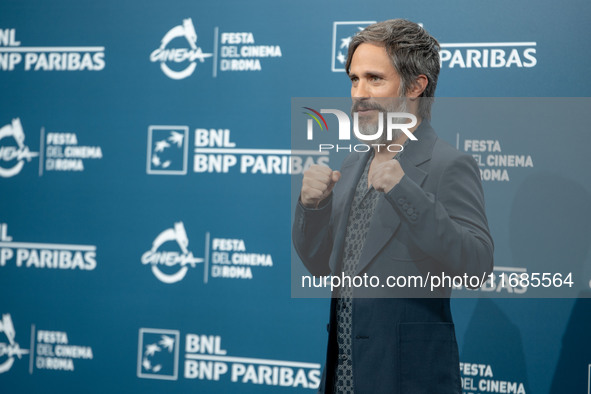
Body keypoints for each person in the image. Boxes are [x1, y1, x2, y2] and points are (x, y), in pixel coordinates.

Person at [292, 19, 494, 393]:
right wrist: (312, 208)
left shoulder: (447, 165)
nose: (359, 93)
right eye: (354, 80)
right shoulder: (353, 165)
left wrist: (404, 189)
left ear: (417, 86)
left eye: (374, 79)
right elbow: (321, 265)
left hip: (408, 381)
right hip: (344, 379)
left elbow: (477, 266)